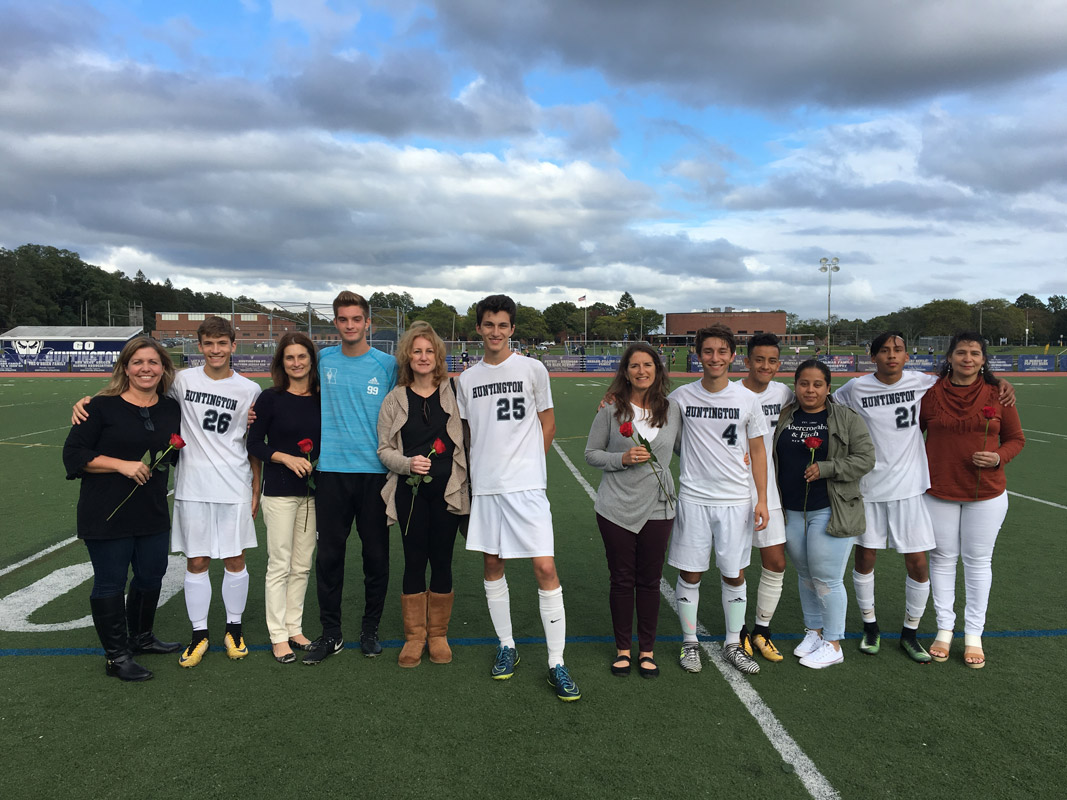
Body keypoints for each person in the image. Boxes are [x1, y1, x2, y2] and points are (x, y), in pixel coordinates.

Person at [72, 318, 263, 667]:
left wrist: (255, 487)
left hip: (234, 485)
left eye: (223, 343)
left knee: (236, 560)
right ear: (200, 347)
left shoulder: (250, 389)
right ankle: (199, 634)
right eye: (209, 344)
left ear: (234, 346)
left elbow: (252, 443)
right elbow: (135, 392)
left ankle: (234, 630)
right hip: (191, 486)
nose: (216, 350)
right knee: (197, 561)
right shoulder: (181, 382)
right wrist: (89, 400)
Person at [834, 332, 1014, 662]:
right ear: (872, 356)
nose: (891, 355)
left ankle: (910, 632)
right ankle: (870, 626)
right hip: (869, 488)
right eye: (884, 350)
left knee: (918, 563)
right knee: (865, 557)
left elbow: (968, 376)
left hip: (910, 489)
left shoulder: (924, 383)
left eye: (898, 350)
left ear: (907, 356)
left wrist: (999, 381)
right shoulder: (854, 388)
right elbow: (826, 408)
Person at [456, 294, 581, 701]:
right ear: (479, 328)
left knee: (545, 568)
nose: (495, 332)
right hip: (488, 487)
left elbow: (548, 423)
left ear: (512, 329)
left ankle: (556, 661)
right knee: (493, 563)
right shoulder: (466, 379)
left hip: (526, 487)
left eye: (503, 325)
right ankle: (507, 646)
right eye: (488, 324)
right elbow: (468, 433)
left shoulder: (533, 368)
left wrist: (528, 464)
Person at [63, 337, 183, 681]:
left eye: (153, 362)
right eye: (138, 362)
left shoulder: (169, 408)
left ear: (163, 368)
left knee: (150, 575)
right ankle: (117, 657)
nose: (146, 368)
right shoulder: (99, 407)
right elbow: (73, 456)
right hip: (106, 511)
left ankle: (141, 638)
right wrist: (122, 465)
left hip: (152, 510)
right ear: (125, 368)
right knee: (111, 583)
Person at [303, 290, 398, 665]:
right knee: (329, 557)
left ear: (367, 323)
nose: (350, 325)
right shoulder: (322, 359)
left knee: (376, 557)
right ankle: (331, 633)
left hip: (375, 474)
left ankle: (370, 630)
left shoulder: (387, 364)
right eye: (343, 319)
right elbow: (293, 392)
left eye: (356, 319)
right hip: (330, 473)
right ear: (335, 322)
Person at [668, 324, 768, 676]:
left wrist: (762, 500)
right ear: (698, 355)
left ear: (732, 356)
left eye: (721, 351)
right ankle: (690, 642)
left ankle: (731, 643)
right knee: (690, 573)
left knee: (734, 574)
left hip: (736, 500)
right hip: (694, 498)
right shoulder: (681, 397)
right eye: (708, 351)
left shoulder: (747, 399)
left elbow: (757, 451)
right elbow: (659, 427)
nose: (715, 358)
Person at [921, 332, 1025, 668]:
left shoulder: (998, 394)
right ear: (949, 357)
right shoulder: (930, 392)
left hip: (987, 493)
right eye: (962, 352)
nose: (968, 358)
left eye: (975, 353)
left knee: (978, 562)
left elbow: (1016, 439)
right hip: (939, 490)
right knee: (942, 559)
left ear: (984, 360)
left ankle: (974, 634)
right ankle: (944, 629)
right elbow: (911, 434)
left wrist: (997, 457)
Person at [585, 343, 681, 679]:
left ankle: (648, 650)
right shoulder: (611, 410)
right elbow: (591, 453)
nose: (642, 371)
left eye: (648, 364)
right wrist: (620, 459)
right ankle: (624, 649)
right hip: (616, 507)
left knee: (650, 581)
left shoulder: (672, 409)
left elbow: (689, 448)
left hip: (659, 505)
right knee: (622, 579)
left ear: (658, 368)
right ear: (626, 372)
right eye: (635, 366)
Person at [377, 321, 470, 668]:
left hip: (449, 492)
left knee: (442, 560)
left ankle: (438, 635)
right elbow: (384, 450)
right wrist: (406, 463)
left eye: (429, 350)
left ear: (438, 356)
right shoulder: (395, 400)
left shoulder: (455, 391)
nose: (423, 356)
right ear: (407, 355)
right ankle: (415, 637)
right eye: (417, 351)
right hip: (410, 493)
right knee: (415, 561)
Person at [774, 360, 875, 668]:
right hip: (792, 510)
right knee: (805, 577)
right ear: (796, 385)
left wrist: (828, 468)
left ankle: (833, 642)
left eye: (818, 384)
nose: (810, 390)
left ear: (828, 388)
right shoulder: (785, 416)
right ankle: (814, 632)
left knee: (826, 579)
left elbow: (866, 458)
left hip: (829, 509)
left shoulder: (845, 418)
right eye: (804, 383)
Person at [247, 332, 321, 664]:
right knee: (280, 564)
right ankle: (278, 635)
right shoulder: (270, 398)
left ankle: (295, 627)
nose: (296, 363)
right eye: (289, 358)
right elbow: (254, 444)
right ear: (282, 363)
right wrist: (284, 457)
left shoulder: (323, 397)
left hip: (312, 495)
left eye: (302, 357)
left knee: (302, 565)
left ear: (311, 360)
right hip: (278, 493)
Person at [735, 333, 794, 663]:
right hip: (735, 489)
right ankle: (739, 630)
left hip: (768, 489)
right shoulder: (732, 393)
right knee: (737, 565)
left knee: (775, 561)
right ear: (747, 362)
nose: (766, 366)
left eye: (772, 360)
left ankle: (762, 630)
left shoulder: (783, 392)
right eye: (759, 359)